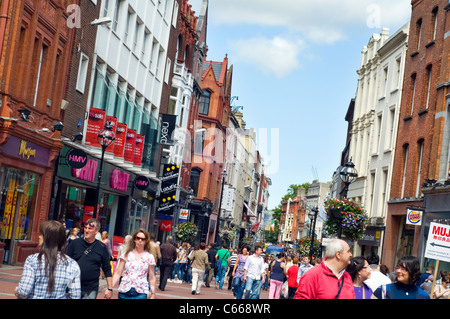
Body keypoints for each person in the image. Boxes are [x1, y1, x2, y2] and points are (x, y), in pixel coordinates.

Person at [15, 221, 81, 299]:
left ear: (47, 238)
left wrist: (17, 290)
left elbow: (24, 291)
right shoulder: (72, 264)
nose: (39, 237)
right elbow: (75, 295)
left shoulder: (32, 260)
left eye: (41, 234)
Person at [66, 218, 113, 299]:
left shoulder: (101, 247)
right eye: (85, 228)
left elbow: (107, 268)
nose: (86, 230)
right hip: (72, 286)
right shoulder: (75, 243)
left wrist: (110, 288)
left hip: (90, 289)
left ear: (96, 231)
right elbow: (65, 262)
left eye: (90, 229)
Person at [112, 229, 156, 299]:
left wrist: (153, 293)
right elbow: (118, 273)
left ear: (146, 241)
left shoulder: (149, 257)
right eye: (138, 238)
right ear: (135, 239)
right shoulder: (126, 254)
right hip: (124, 290)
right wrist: (110, 288)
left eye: (143, 239)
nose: (140, 241)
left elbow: (151, 277)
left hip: (141, 292)